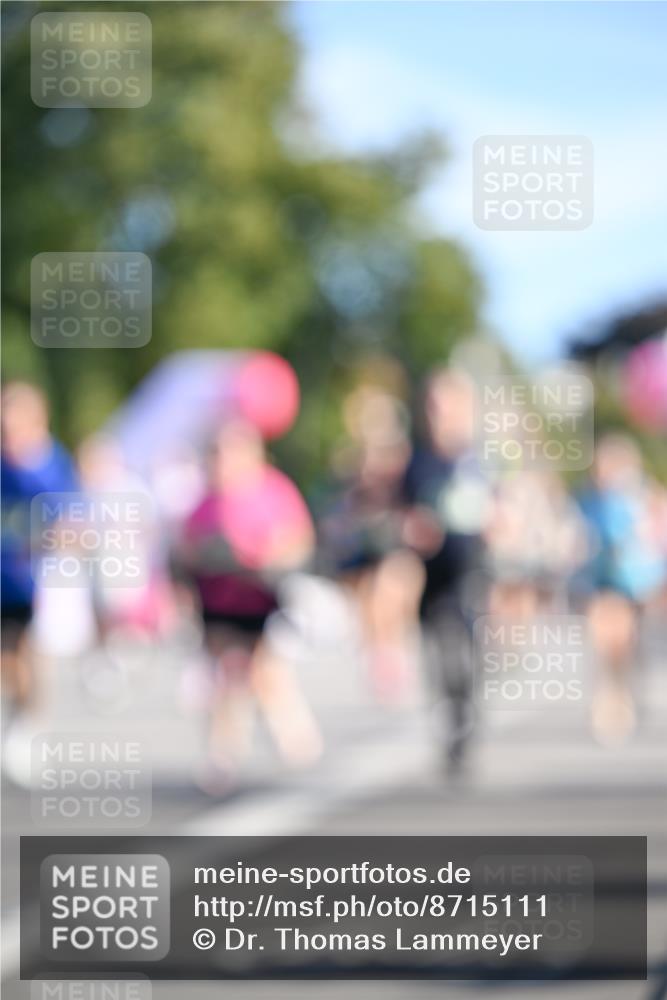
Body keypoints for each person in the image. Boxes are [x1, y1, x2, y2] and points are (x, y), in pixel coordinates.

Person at [177, 418, 322, 783]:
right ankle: (223, 749)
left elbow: (298, 540)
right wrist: (208, 555)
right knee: (226, 674)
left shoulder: (274, 491)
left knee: (264, 671)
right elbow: (185, 550)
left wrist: (267, 557)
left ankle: (294, 737)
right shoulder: (205, 503)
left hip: (262, 598)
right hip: (219, 600)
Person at [402, 367, 493, 771]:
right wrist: (411, 527)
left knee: (467, 651)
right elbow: (402, 511)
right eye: (432, 405)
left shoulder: (481, 457)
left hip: (472, 566)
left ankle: (467, 714)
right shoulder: (418, 460)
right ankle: (450, 722)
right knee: (439, 651)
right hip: (431, 570)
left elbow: (508, 507)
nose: (438, 412)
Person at [575, 434, 667, 744]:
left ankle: (624, 692)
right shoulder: (588, 502)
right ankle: (608, 700)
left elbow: (656, 540)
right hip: (600, 581)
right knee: (603, 639)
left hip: (637, 582)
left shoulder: (645, 499)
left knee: (625, 646)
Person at [1, 382, 78, 711]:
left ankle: (27, 720)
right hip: (5, 579)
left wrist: (40, 539)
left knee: (28, 655)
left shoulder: (53, 466)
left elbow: (72, 527)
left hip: (35, 581)